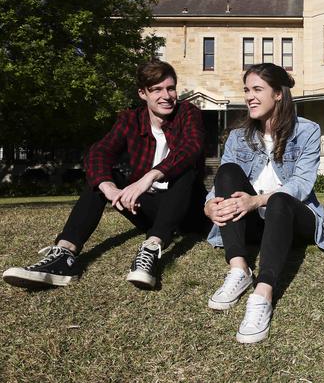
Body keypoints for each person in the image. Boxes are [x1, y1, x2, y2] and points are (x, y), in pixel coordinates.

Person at [2, 60, 206, 290]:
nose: (166, 96)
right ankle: (64, 255)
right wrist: (107, 187)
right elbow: (99, 152)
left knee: (185, 171)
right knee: (98, 179)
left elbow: (191, 148)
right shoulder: (131, 120)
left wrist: (150, 176)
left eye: (170, 88)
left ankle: (151, 248)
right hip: (149, 209)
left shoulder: (187, 113)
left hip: (188, 210)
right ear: (142, 93)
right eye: (156, 89)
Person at [204, 63, 324, 344]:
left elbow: (301, 184)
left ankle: (262, 294)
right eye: (247, 90)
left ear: (278, 94)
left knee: (279, 200)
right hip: (253, 225)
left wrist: (257, 200)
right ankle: (239, 269)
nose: (249, 96)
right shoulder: (238, 136)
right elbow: (221, 184)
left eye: (257, 89)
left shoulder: (307, 131)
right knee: (227, 172)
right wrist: (208, 205)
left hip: (292, 218)